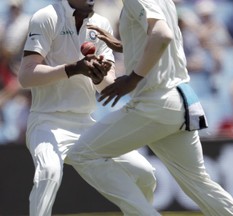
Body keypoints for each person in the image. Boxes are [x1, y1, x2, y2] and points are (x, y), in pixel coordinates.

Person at [68, 0, 233, 215]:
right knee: (199, 183)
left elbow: (162, 35)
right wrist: (125, 45)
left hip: (155, 102)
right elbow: (160, 39)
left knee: (81, 154)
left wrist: (133, 79)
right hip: (181, 99)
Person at [18, 0, 158, 215]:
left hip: (86, 124)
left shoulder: (101, 23)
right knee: (49, 172)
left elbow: (106, 88)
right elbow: (26, 76)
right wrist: (74, 69)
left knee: (145, 172)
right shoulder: (46, 17)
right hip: (47, 121)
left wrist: (98, 75)